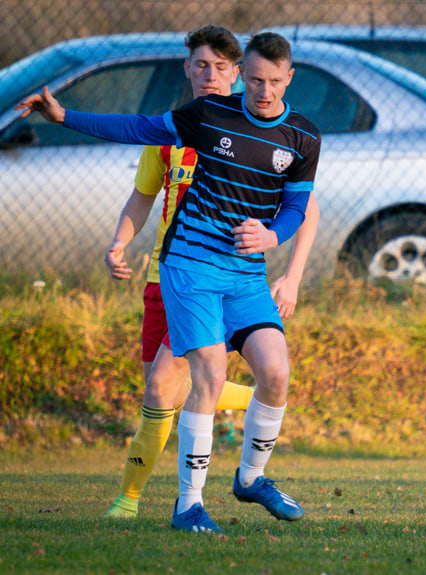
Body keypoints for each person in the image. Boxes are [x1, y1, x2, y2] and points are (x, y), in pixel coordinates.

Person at [18, 31, 322, 534]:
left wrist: (272, 235)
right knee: (204, 374)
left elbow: (297, 206)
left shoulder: (305, 137)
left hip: (246, 276)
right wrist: (64, 116)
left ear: (289, 78)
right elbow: (136, 127)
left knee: (276, 372)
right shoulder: (208, 117)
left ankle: (250, 479)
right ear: (243, 75)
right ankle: (188, 506)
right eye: (254, 80)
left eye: (273, 81)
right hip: (190, 266)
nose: (263, 91)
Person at [101, 25, 320, 520]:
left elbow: (304, 208)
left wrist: (292, 274)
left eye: (221, 67)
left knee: (183, 385)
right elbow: (142, 195)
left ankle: (137, 501)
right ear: (188, 69)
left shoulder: (257, 130)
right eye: (201, 65)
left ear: (237, 72)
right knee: (160, 392)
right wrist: (119, 242)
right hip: (169, 279)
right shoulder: (174, 132)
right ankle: (153, 498)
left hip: (226, 277)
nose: (210, 76)